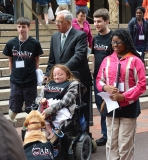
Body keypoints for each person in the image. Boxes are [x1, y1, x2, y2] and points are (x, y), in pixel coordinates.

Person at [96, 28, 146, 160]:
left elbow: (141, 85)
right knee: (111, 142)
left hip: (128, 106)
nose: (115, 45)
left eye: (119, 42)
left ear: (126, 42)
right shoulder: (107, 60)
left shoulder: (135, 60)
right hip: (111, 105)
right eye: (113, 42)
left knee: (125, 143)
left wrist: (123, 96)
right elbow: (98, 80)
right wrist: (106, 87)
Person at [44, 10, 92, 130]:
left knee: (81, 108)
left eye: (60, 21)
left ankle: (84, 134)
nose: (56, 24)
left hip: (78, 80)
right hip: (60, 83)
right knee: (63, 108)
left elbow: (79, 56)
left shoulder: (80, 35)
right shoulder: (55, 37)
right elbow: (52, 60)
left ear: (69, 22)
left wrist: (62, 70)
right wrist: (47, 74)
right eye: (56, 21)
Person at [3, 17, 43, 123]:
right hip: (16, 81)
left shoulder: (35, 43)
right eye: (19, 27)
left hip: (30, 81)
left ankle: (31, 127)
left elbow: (36, 62)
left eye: (24, 27)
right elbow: (10, 62)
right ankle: (11, 125)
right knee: (14, 105)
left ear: (29, 28)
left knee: (31, 106)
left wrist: (33, 75)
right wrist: (13, 76)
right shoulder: (11, 43)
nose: (21, 29)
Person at [36, 64, 86, 141]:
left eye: (60, 74)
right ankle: (46, 133)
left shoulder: (72, 84)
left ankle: (56, 131)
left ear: (67, 74)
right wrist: (40, 100)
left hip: (62, 109)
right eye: (55, 75)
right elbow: (38, 97)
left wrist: (49, 111)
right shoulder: (49, 84)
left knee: (57, 118)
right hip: (46, 109)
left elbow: (64, 102)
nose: (57, 77)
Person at [92, 8, 113, 146]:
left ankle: (111, 134)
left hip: (110, 79)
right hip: (98, 79)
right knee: (101, 107)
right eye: (94, 21)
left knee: (111, 107)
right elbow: (94, 56)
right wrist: (93, 73)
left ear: (106, 21)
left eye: (99, 21)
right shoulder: (95, 38)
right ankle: (105, 135)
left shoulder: (114, 37)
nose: (96, 24)